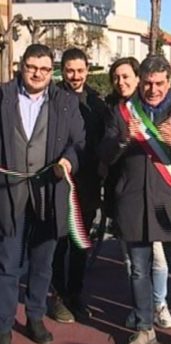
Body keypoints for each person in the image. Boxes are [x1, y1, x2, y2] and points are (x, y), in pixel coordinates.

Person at [99, 55, 171, 344]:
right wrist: (123, 139)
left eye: (160, 83)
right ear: (140, 81)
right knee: (138, 271)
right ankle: (145, 327)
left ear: (169, 82)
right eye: (147, 83)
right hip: (133, 202)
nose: (153, 89)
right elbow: (103, 154)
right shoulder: (122, 112)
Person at [0, 44, 85, 344]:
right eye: (32, 66)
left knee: (42, 263)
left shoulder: (65, 102)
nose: (37, 73)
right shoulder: (3, 96)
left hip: (49, 194)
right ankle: (3, 328)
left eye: (44, 68)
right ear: (21, 66)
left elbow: (79, 143)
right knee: (7, 265)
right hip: (8, 194)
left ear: (53, 72)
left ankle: (35, 316)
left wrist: (68, 162)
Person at [105, 57, 171, 329]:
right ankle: (140, 308)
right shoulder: (114, 110)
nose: (121, 82)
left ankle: (159, 304)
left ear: (139, 78)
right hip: (122, 191)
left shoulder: (156, 107)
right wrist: (122, 140)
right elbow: (105, 151)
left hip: (156, 191)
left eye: (126, 77)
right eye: (116, 78)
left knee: (159, 256)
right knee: (132, 260)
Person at [48, 48, 106, 323]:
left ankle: (75, 293)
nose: (75, 76)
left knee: (81, 242)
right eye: (70, 70)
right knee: (58, 242)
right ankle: (57, 295)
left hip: (88, 184)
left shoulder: (97, 101)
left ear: (87, 70)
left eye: (80, 70)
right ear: (63, 70)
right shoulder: (51, 97)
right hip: (58, 182)